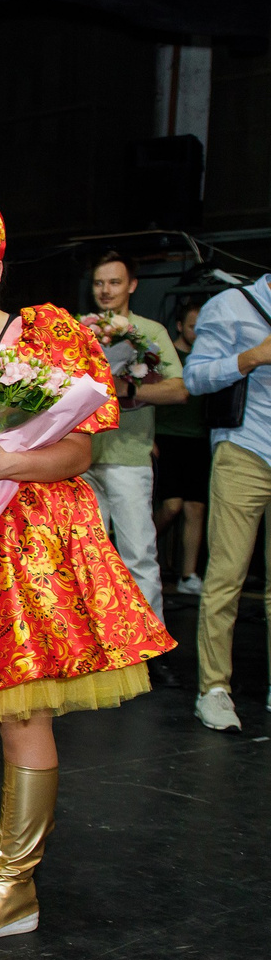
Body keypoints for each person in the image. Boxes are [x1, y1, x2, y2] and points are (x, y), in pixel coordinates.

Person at [0, 177, 170, 939]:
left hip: (25, 545)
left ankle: (14, 884)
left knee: (20, 710)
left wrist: (6, 465)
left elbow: (80, 451)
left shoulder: (40, 336)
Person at [183, 272, 271, 731]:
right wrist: (252, 357)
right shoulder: (231, 305)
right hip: (245, 450)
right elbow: (194, 377)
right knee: (226, 576)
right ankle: (213, 689)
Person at [81, 251, 186, 619]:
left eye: (114, 282)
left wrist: (128, 389)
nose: (106, 290)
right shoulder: (79, 330)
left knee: (137, 555)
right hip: (79, 459)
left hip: (128, 456)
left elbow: (179, 389)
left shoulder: (149, 332)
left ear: (132, 285)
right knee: (87, 558)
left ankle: (152, 642)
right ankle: (96, 639)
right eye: (99, 283)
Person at [153, 299, 207, 596]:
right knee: (172, 506)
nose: (197, 332)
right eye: (192, 326)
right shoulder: (166, 355)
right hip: (167, 437)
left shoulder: (206, 358)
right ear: (179, 326)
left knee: (195, 508)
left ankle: (189, 575)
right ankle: (139, 545)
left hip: (196, 439)